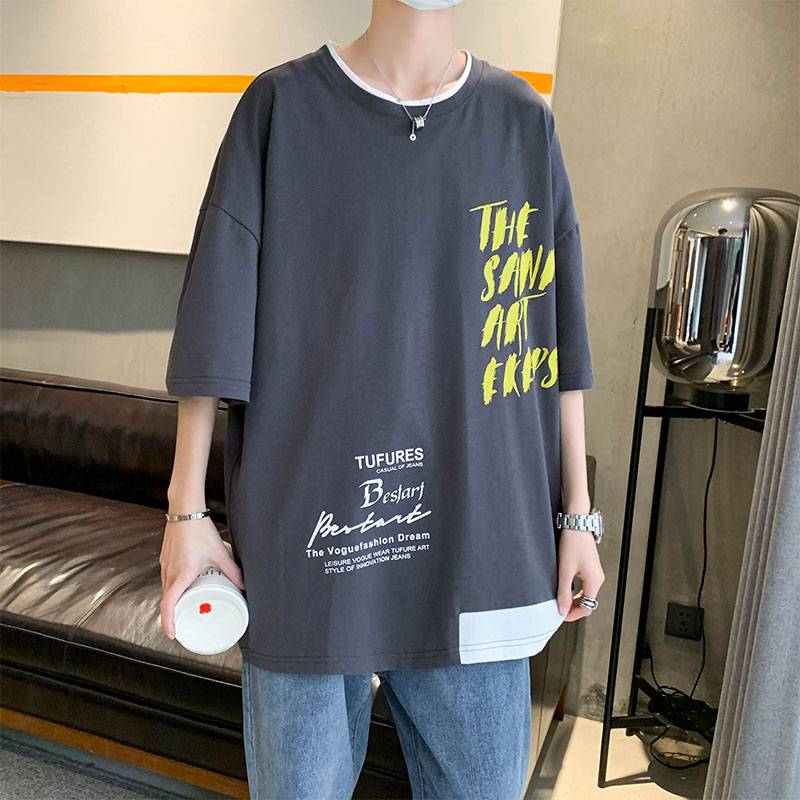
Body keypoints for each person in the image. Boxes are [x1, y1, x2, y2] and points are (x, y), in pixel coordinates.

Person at [160, 0, 605, 797]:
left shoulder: (520, 122)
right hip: (315, 543)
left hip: (480, 547)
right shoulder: (282, 108)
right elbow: (216, 317)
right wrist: (185, 511)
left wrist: (577, 516)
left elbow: (556, 337)